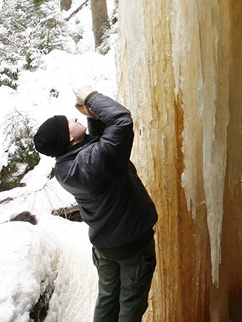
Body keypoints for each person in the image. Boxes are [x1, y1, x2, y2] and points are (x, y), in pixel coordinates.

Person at [33, 86, 158, 322]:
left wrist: (93, 118)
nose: (72, 117)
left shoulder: (65, 167)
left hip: (105, 247)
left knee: (107, 301)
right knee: (131, 305)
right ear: (69, 137)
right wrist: (91, 97)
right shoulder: (93, 162)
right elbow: (122, 120)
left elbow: (100, 150)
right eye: (67, 122)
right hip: (132, 245)